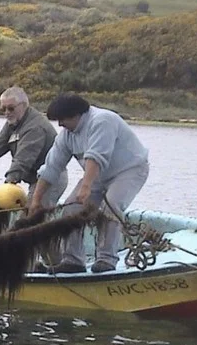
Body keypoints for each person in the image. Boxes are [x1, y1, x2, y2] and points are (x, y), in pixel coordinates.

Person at [30, 93, 149, 274]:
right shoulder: (66, 136)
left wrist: (86, 187)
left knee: (111, 207)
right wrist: (36, 201)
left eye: (62, 120)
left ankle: (106, 260)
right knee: (70, 209)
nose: (60, 125)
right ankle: (73, 260)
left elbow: (96, 157)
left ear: (76, 115)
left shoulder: (102, 121)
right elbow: (51, 168)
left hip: (130, 170)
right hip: (97, 176)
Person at [0, 86, 68, 265]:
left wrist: (10, 180)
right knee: (36, 223)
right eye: (3, 109)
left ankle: (50, 266)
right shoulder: (14, 122)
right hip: (35, 180)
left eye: (11, 108)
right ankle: (51, 264)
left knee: (30, 221)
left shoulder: (35, 126)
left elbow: (24, 157)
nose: (6, 112)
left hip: (51, 178)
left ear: (24, 105)